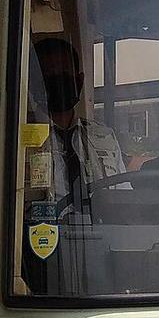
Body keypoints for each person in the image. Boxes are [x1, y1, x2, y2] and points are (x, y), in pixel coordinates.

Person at [33, 35, 124, 206]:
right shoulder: (17, 141)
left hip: (103, 228)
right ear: (32, 83)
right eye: (48, 75)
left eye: (64, 74)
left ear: (79, 81)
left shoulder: (104, 137)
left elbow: (124, 197)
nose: (57, 82)